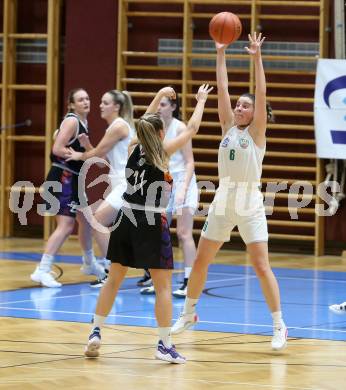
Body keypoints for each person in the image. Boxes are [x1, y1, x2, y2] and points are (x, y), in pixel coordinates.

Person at [171, 32, 288, 351]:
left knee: (261, 265)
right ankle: (188, 312)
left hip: (250, 202)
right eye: (238, 104)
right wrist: (220, 53)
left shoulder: (258, 132)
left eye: (245, 105)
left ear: (254, 113)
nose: (239, 107)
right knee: (200, 262)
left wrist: (257, 58)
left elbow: (262, 92)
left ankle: (279, 325)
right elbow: (221, 88)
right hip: (223, 200)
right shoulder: (226, 128)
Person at [84, 84, 212, 363]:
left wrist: (160, 95)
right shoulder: (162, 152)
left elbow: (144, 120)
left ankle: (95, 331)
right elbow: (191, 128)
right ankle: (164, 344)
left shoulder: (132, 147)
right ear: (161, 133)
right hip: (150, 221)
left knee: (114, 279)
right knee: (164, 287)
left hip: (125, 218)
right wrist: (201, 101)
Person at [31, 88, 106, 288]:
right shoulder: (72, 121)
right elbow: (56, 149)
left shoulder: (82, 123)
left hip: (73, 179)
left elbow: (95, 160)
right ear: (71, 104)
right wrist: (76, 155)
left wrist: (84, 149)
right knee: (65, 227)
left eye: (88, 98)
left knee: (86, 222)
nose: (85, 102)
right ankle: (42, 270)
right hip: (63, 176)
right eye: (80, 99)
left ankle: (89, 263)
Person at [67, 90, 135, 288]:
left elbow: (97, 154)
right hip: (121, 183)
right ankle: (147, 271)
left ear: (116, 107)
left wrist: (78, 155)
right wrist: (87, 144)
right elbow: (100, 162)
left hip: (127, 183)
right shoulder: (115, 127)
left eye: (105, 102)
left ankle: (109, 271)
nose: (100, 105)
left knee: (97, 221)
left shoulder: (119, 126)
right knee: (130, 232)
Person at [140, 92, 199, 297]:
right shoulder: (153, 130)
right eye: (158, 104)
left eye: (163, 104)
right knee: (157, 232)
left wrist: (183, 189)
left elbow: (190, 161)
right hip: (163, 183)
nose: (159, 108)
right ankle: (158, 280)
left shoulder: (180, 127)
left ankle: (189, 280)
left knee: (184, 233)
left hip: (184, 180)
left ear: (173, 107)